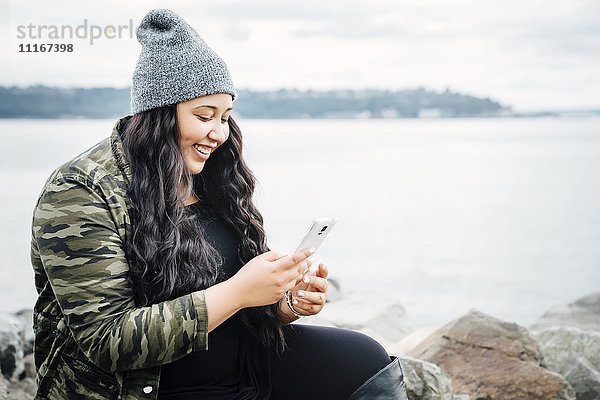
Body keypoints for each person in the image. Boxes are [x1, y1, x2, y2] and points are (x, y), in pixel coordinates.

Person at [30, 8, 408, 400]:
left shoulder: (212, 175)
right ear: (157, 115)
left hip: (242, 366)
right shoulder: (80, 190)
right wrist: (239, 292)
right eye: (204, 115)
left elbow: (236, 299)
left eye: (226, 116)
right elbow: (107, 341)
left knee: (366, 358)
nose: (219, 133)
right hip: (148, 389)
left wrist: (283, 303)